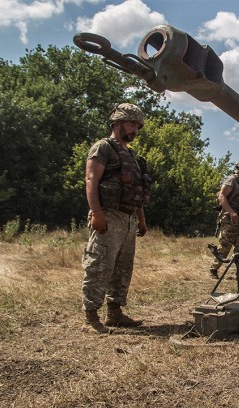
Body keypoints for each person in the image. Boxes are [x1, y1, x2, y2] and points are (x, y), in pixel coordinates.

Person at [81, 103, 151, 334]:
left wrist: (140, 220)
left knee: (123, 268)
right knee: (100, 264)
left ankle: (115, 313)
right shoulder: (103, 147)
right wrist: (97, 213)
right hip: (108, 215)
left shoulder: (131, 154)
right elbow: (91, 180)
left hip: (128, 217)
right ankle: (91, 317)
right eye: (132, 124)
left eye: (138, 127)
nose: (135, 130)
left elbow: (137, 190)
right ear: (118, 123)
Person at [210, 160, 239, 291]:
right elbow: (221, 196)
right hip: (230, 220)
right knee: (224, 247)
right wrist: (231, 212)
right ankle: (213, 269)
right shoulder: (232, 180)